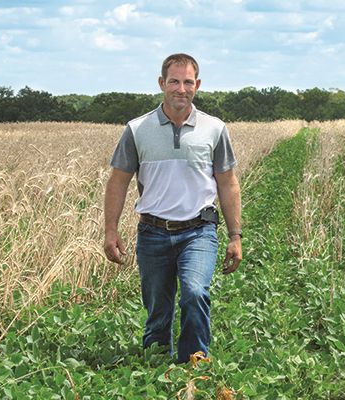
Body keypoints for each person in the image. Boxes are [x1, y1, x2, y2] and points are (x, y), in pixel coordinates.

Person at [103, 53, 242, 363]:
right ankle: (154, 368)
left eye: (188, 82)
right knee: (157, 309)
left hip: (199, 230)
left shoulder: (215, 128)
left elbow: (228, 182)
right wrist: (111, 231)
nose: (181, 88)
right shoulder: (137, 129)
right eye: (175, 81)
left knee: (194, 292)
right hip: (152, 232)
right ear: (161, 83)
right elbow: (118, 181)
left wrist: (235, 235)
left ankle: (194, 364)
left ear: (198, 85)